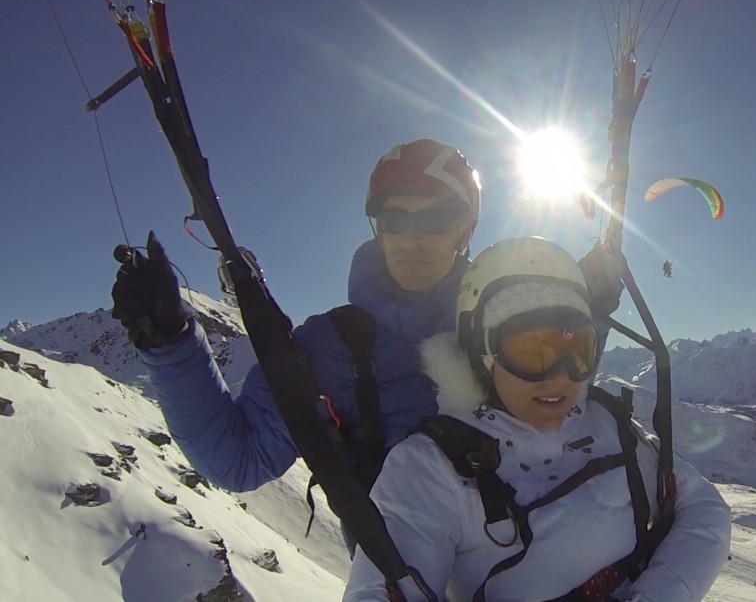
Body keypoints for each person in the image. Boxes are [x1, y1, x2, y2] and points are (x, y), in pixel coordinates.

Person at [342, 237, 731, 601]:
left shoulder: (606, 420)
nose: (561, 376)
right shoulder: (429, 468)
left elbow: (702, 506)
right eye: (531, 350)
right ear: (483, 351)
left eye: (577, 349)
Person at [109, 139, 484, 494]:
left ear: (463, 233)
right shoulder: (329, 347)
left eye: (434, 220)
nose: (412, 238)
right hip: (395, 561)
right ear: (380, 232)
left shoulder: (502, 324)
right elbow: (240, 459)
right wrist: (170, 342)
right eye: (395, 221)